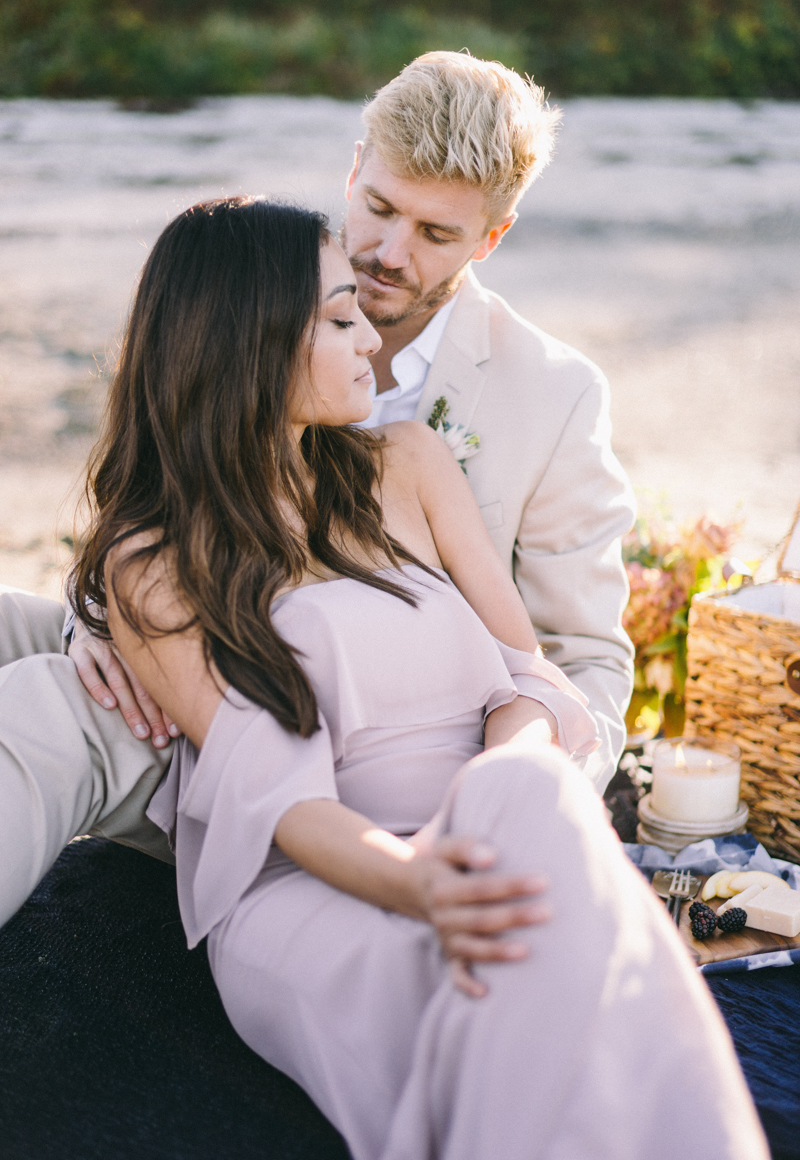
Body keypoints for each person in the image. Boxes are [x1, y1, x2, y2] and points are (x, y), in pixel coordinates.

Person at [62, 194, 761, 1160]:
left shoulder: (408, 464)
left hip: (481, 827)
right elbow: (276, 798)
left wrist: (492, 789)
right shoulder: (157, 563)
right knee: (496, 977)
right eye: (342, 318)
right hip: (316, 882)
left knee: (534, 804)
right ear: (253, 341)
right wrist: (420, 881)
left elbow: (527, 680)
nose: (371, 346)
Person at [0, 51, 634, 920]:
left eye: (437, 235)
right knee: (17, 625)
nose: (387, 253)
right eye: (378, 208)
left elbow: (583, 658)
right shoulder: (264, 278)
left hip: (374, 753)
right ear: (354, 169)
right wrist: (102, 626)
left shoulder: (554, 395)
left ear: (493, 237)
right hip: (208, 654)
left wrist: (514, 799)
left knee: (47, 706)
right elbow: (152, 492)